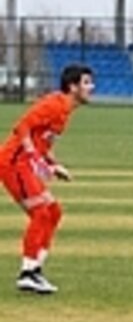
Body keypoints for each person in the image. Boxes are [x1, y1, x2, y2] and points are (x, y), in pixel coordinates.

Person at [0, 65, 93, 294]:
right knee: (41, 212)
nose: (91, 87)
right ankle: (27, 273)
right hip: (13, 163)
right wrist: (32, 156)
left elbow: (43, 143)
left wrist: (53, 165)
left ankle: (35, 270)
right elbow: (22, 127)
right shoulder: (54, 104)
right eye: (86, 83)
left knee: (53, 212)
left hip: (24, 165)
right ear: (72, 87)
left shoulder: (65, 111)